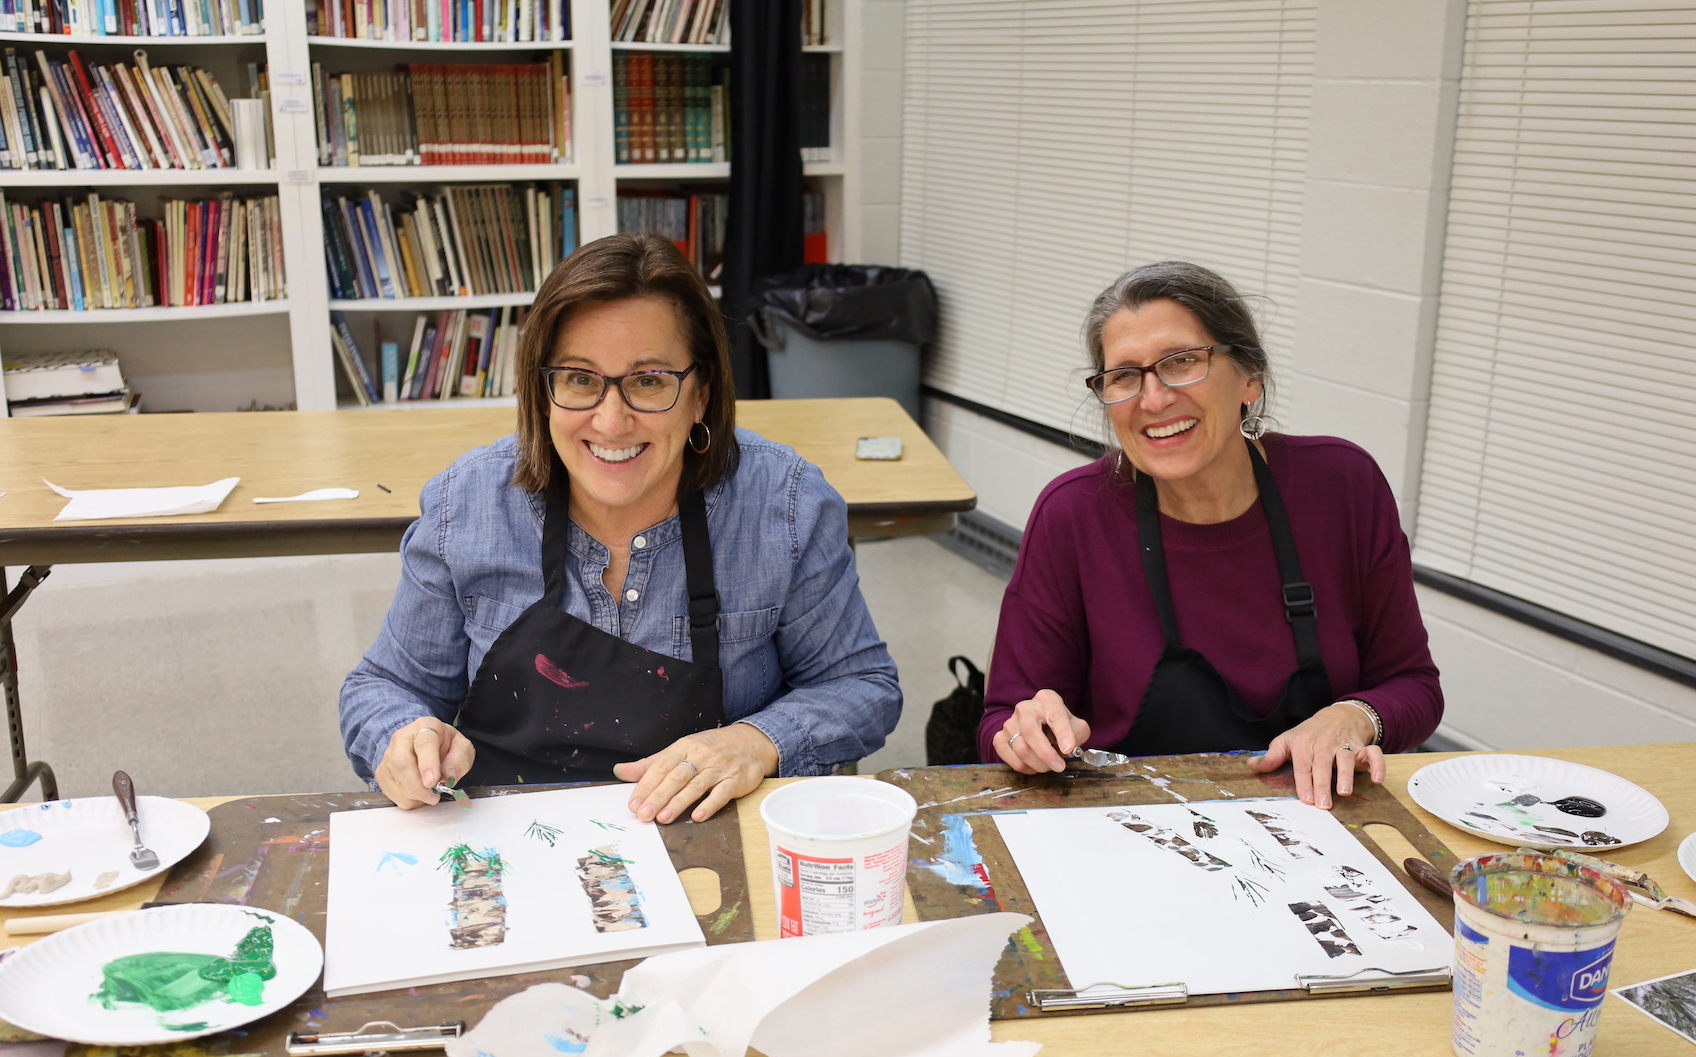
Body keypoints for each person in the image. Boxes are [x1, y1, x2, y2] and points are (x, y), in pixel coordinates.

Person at [341, 233, 901, 822]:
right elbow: (381, 688)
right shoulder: (471, 503)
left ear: (701, 395)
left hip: (708, 849)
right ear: (544, 388)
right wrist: (401, 738)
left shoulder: (781, 505)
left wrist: (759, 742)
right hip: (506, 847)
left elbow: (861, 685)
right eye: (581, 379)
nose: (611, 421)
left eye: (649, 380)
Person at [981, 261, 1442, 808]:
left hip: (1318, 828)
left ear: (1249, 378)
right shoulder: (1073, 515)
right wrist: (1027, 732)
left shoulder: (1342, 485)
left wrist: (1356, 716)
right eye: (1125, 376)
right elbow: (999, 723)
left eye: (1181, 362)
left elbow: (1412, 684)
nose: (1153, 400)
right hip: (1126, 829)